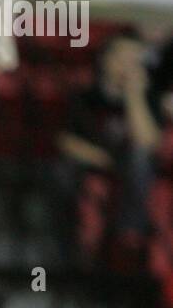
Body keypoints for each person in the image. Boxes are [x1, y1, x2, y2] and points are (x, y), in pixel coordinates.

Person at [57, 30, 162, 266]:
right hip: (94, 164)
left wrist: (134, 96)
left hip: (132, 172)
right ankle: (69, 251)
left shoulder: (149, 99)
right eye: (123, 58)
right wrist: (104, 160)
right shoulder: (85, 97)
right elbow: (67, 141)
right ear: (106, 59)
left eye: (135, 60)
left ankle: (130, 235)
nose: (128, 66)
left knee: (140, 162)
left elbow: (147, 142)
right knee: (61, 174)